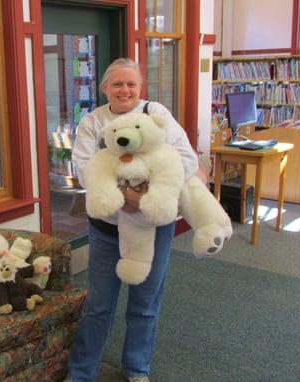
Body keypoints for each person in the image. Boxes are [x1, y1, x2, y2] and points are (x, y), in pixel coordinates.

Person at [65, 58, 199, 382]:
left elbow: (186, 160)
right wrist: (124, 196)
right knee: (99, 304)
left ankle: (137, 368)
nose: (125, 90)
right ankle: (82, 373)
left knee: (145, 302)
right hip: (106, 229)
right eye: (117, 84)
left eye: (131, 84)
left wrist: (149, 194)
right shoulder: (93, 122)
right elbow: (83, 168)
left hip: (153, 229)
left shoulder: (156, 115)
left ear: (140, 88)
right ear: (104, 88)